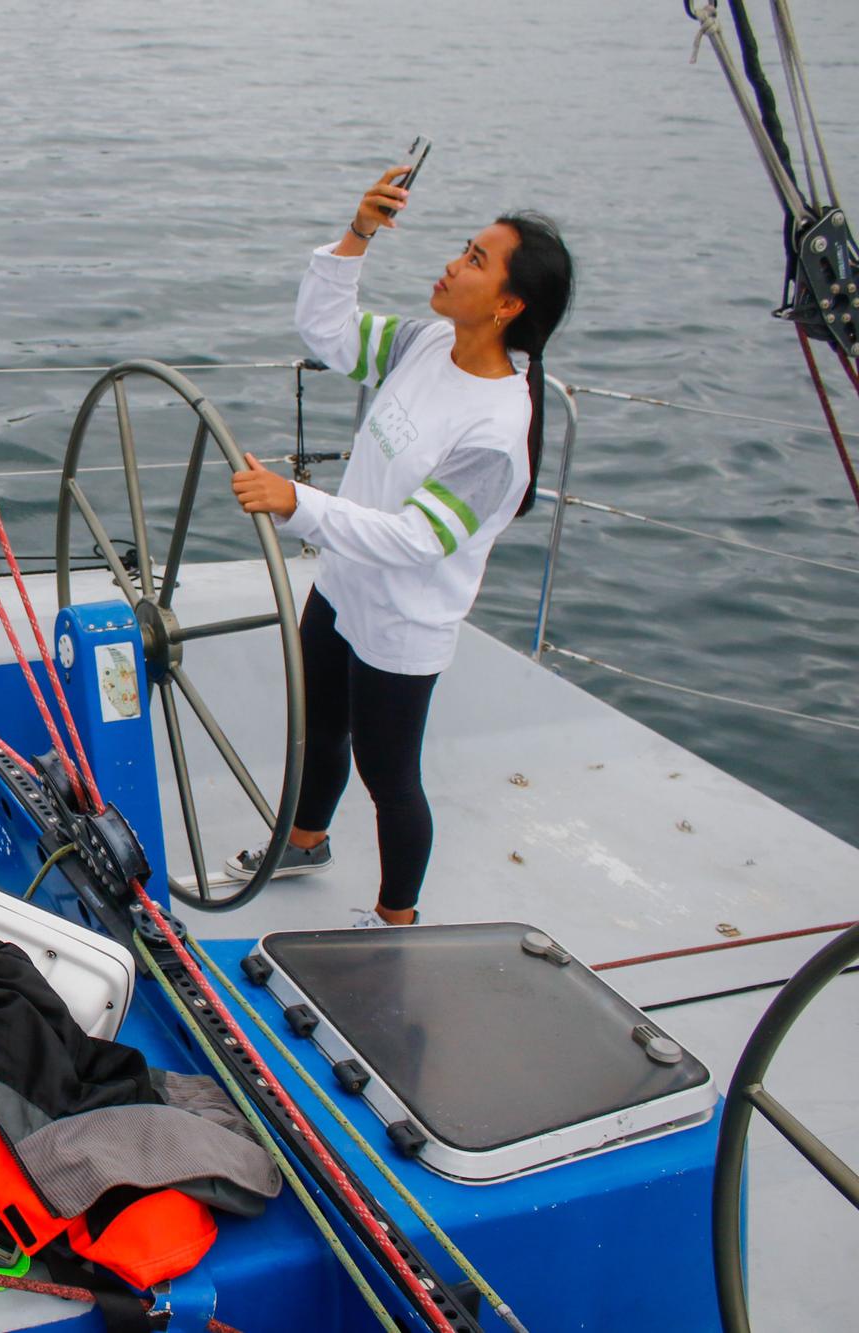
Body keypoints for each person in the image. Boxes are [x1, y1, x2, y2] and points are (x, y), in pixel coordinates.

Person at [227, 167, 574, 926]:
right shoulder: (424, 344)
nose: (454, 263)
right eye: (463, 249)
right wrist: (358, 233)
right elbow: (329, 332)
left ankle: (396, 922)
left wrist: (299, 503)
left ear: (509, 306)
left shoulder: (496, 433)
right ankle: (307, 840)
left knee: (389, 777)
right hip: (346, 583)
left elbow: (418, 540)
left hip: (404, 622)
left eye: (476, 260)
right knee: (319, 721)